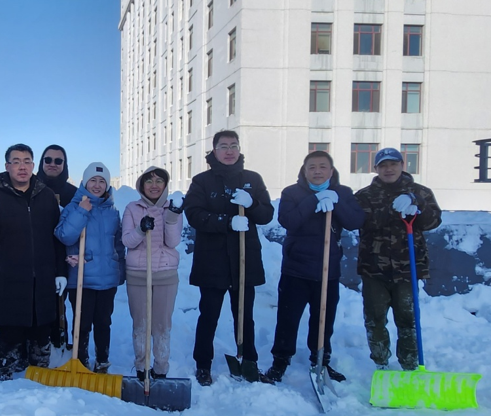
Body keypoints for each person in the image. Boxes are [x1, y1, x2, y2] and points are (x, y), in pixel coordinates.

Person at [265, 151, 365, 383]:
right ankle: (280, 361)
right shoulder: (292, 193)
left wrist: (336, 203)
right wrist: (314, 200)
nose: (317, 171)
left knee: (323, 320)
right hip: (296, 269)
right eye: (312, 167)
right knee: (288, 319)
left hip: (328, 270)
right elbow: (288, 221)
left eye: (322, 167)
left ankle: (321, 360)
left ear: (331, 171)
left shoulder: (343, 193)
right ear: (304, 170)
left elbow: (355, 221)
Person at [184, 130, 274, 386]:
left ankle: (249, 361)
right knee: (208, 316)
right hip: (212, 261)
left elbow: (266, 214)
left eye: (233, 145)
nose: (229, 150)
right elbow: (194, 214)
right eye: (223, 146)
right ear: (214, 151)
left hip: (244, 260)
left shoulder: (252, 179)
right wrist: (226, 222)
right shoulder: (202, 181)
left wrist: (252, 204)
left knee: (245, 316)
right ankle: (203, 365)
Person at [0, 144, 67, 379]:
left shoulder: (46, 196)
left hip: (42, 279)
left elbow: (57, 238)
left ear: (33, 165)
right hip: (9, 279)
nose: (22, 167)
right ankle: (5, 375)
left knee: (41, 330)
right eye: (16, 162)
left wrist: (60, 271)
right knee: (9, 332)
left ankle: (39, 377)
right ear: (7, 166)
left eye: (26, 161)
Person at [355, 147, 442, 371]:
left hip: (408, 268)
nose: (389, 169)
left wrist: (417, 203)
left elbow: (432, 222)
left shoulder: (421, 192)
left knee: (407, 319)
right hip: (374, 269)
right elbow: (361, 223)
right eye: (383, 165)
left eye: (393, 164)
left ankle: (410, 365)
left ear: (402, 165)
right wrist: (391, 210)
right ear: (376, 169)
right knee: (375, 319)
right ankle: (381, 363)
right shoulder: (364, 196)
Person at [55, 162, 125, 372]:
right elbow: (65, 236)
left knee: (103, 322)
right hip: (82, 277)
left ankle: (102, 361)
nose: (97, 185)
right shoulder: (73, 207)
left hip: (107, 278)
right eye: (93, 180)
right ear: (85, 182)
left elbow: (118, 244)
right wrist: (82, 212)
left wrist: (120, 269)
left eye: (102, 181)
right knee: (82, 323)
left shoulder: (112, 211)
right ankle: (81, 361)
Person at [121, 166, 183, 381]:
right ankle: (142, 368)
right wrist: (140, 229)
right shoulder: (132, 208)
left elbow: (173, 242)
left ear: (165, 185)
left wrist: (172, 218)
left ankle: (161, 369)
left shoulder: (172, 208)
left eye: (159, 181)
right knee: (140, 324)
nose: (154, 185)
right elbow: (127, 241)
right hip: (138, 275)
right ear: (141, 185)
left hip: (165, 274)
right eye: (149, 181)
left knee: (162, 325)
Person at [37, 144, 78, 349]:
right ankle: (41, 348)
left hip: (67, 259)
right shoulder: (32, 188)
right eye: (48, 160)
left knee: (63, 308)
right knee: (41, 308)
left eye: (58, 161)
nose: (52, 164)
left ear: (65, 164)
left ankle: (62, 346)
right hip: (38, 258)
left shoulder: (74, 194)